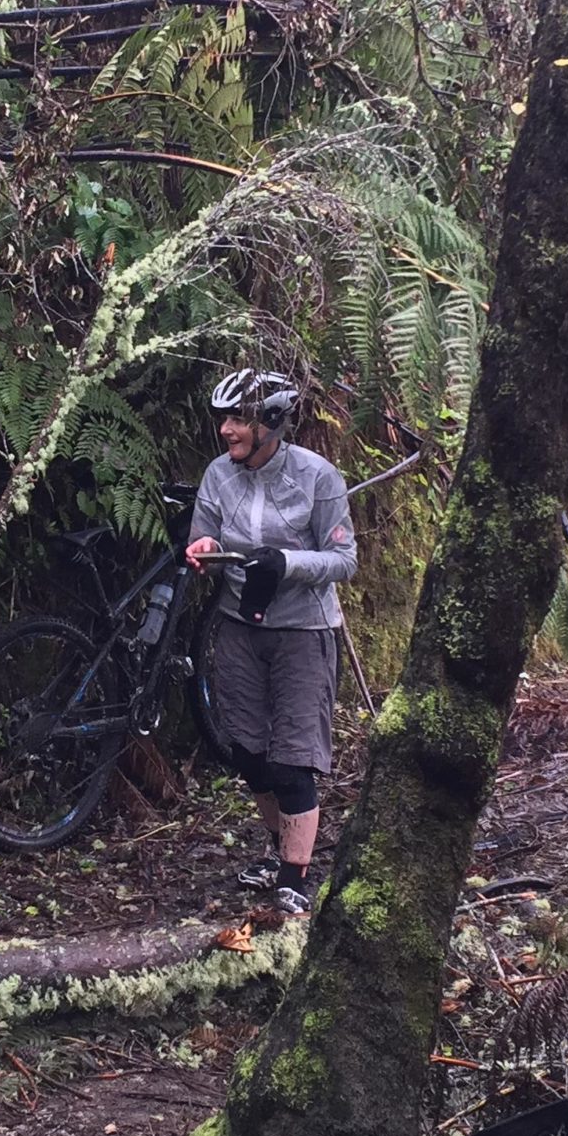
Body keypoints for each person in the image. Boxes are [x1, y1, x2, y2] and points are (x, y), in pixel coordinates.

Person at [184, 368, 356, 916]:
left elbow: (345, 560)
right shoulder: (218, 475)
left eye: (239, 419)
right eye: (225, 419)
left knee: (293, 760)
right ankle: (278, 851)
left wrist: (287, 562)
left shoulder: (317, 478)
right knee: (251, 754)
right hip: (239, 625)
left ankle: (295, 876)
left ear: (272, 422)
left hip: (303, 631)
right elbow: (201, 537)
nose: (227, 431)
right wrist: (204, 546)